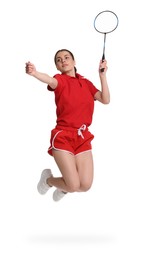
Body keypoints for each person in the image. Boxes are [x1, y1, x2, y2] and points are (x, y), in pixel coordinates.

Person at [25, 49, 110, 202]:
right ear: (57, 67)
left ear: (74, 61)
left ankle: (62, 187)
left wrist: (102, 76)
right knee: (73, 185)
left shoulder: (86, 83)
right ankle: (48, 180)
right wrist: (35, 73)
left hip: (82, 137)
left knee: (84, 185)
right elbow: (49, 80)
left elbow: (105, 99)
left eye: (66, 57)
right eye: (59, 60)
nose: (63, 61)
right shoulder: (60, 80)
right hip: (63, 136)